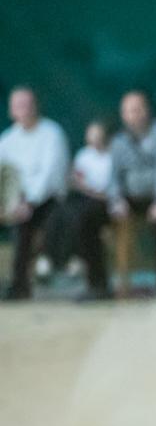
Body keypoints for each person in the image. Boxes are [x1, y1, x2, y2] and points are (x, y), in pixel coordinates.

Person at [0, 86, 70, 300]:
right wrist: (9, 203)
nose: (23, 109)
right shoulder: (7, 140)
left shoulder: (52, 133)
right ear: (11, 110)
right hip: (16, 201)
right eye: (18, 105)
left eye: (27, 104)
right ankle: (17, 285)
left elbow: (50, 176)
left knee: (27, 223)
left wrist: (29, 202)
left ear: (36, 106)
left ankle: (27, 280)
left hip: (50, 201)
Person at [108, 90, 156, 293]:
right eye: (129, 111)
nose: (134, 115)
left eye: (138, 109)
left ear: (147, 111)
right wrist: (116, 200)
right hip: (131, 198)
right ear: (123, 115)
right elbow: (114, 176)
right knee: (88, 217)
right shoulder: (118, 141)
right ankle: (99, 285)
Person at [65, 119, 116, 300]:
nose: (95, 140)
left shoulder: (115, 154)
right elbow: (76, 181)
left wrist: (93, 192)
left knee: (84, 220)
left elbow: (109, 190)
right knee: (70, 215)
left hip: (109, 206)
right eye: (91, 136)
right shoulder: (83, 155)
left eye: (98, 135)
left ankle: (97, 283)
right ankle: (66, 261)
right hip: (84, 204)